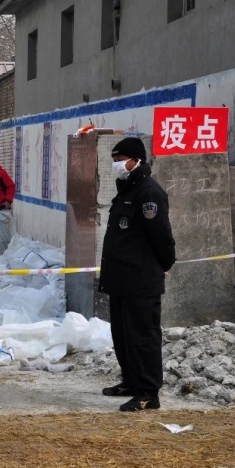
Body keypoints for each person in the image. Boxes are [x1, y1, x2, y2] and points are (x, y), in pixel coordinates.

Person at [98, 137, 176, 412]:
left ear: (136, 160)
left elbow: (162, 237)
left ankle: (147, 393)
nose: (116, 164)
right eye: (115, 159)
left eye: (120, 159)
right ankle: (131, 382)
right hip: (122, 279)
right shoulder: (127, 189)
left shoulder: (148, 193)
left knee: (143, 336)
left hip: (141, 279)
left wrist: (165, 263)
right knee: (122, 335)